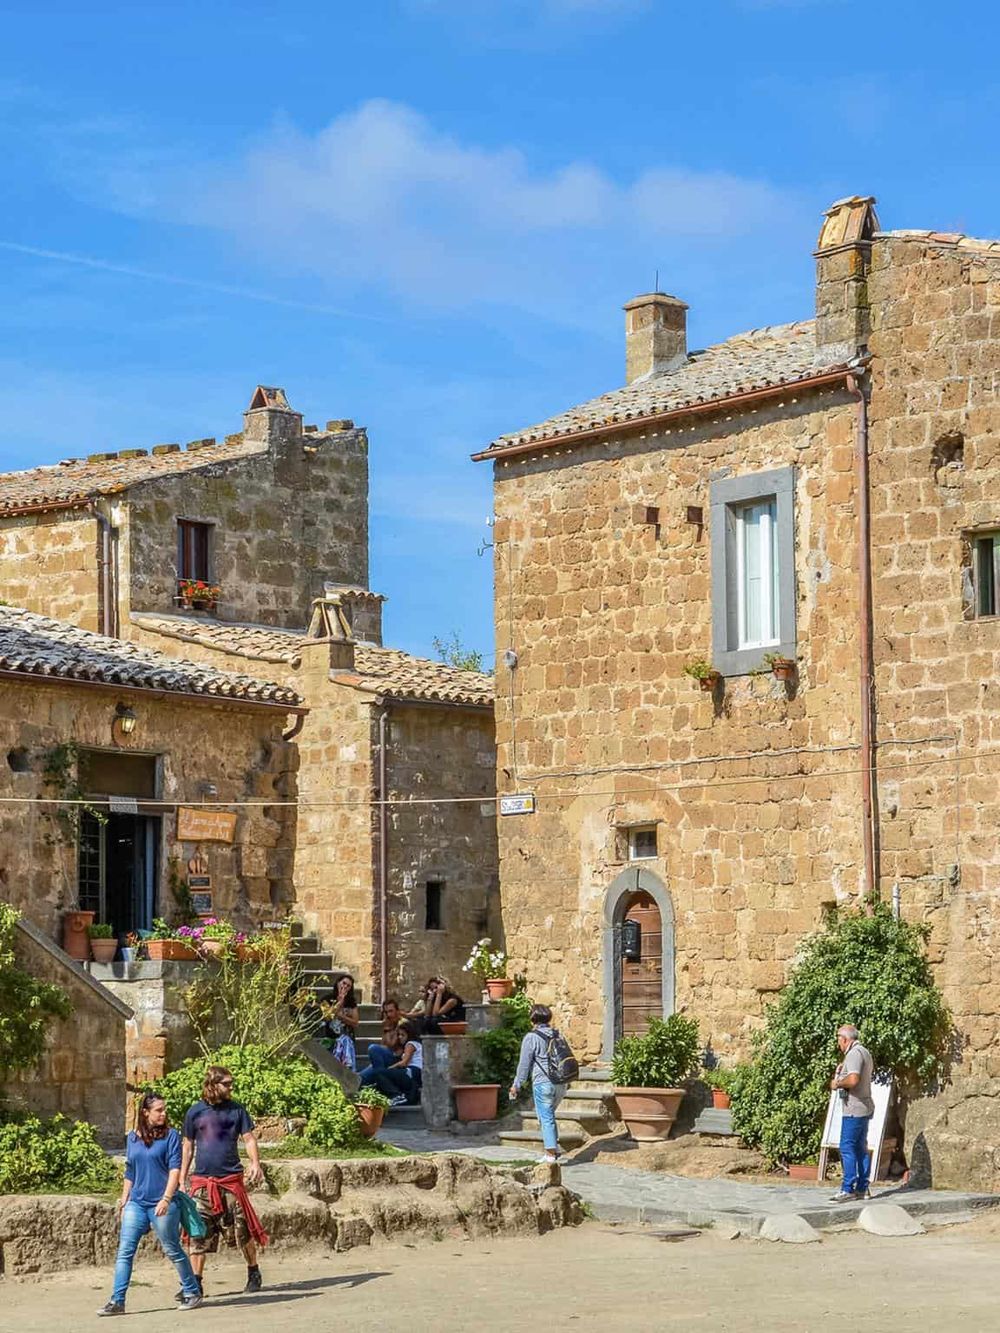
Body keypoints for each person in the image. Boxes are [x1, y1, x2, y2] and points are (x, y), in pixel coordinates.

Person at [97, 1093, 203, 1316]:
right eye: (158, 1110)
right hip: (137, 1202)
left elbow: (175, 1169)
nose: (163, 1114)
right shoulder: (132, 1137)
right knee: (125, 1251)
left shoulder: (172, 1136)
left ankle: (192, 1290)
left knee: (172, 1248)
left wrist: (166, 1198)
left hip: (162, 1203)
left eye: (164, 1109)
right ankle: (117, 1301)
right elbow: (130, 1170)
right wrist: (125, 1199)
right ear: (146, 1113)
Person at [180, 1065, 268, 1297]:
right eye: (226, 1084)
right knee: (197, 1234)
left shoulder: (237, 1110)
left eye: (231, 1083)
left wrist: (255, 1163)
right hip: (202, 1184)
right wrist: (182, 1178)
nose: (231, 1087)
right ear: (212, 1084)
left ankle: (253, 1270)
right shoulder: (195, 1112)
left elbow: (248, 1139)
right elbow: (188, 1146)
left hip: (230, 1181)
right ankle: (195, 1283)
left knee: (243, 1231)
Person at [509, 1004, 568, 1166]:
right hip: (561, 1083)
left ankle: (550, 1155)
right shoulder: (558, 1034)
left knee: (546, 1117)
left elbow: (524, 1065)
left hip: (543, 1082)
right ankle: (554, 1150)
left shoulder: (531, 1037)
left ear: (532, 1019)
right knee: (549, 1115)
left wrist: (517, 1085)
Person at [829, 1024, 876, 1202]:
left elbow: (854, 1079)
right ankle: (863, 1187)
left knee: (846, 1147)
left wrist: (838, 1083)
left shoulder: (854, 1054)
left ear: (845, 1039)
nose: (838, 1044)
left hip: (854, 1108)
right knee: (860, 1148)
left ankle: (847, 1188)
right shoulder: (864, 1052)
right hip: (864, 1106)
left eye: (839, 1040)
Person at [359, 1018, 422, 1105]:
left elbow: (404, 1063)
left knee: (379, 1072)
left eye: (402, 1035)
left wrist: (388, 1069)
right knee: (376, 1071)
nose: (400, 1037)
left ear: (409, 1034)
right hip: (409, 1073)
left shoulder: (410, 1044)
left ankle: (396, 1095)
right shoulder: (411, 1045)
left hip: (411, 1073)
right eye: (398, 1035)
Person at [321, 974, 360, 1069]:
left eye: (348, 986)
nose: (345, 987)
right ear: (338, 983)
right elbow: (327, 1017)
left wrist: (340, 1016)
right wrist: (339, 1003)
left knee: (345, 1040)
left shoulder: (351, 1002)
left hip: (347, 1038)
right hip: (331, 1038)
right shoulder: (326, 999)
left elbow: (355, 1022)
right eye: (344, 983)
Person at [363, 997, 405, 1075]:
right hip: (385, 1059)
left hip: (396, 1060)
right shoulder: (389, 1023)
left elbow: (391, 1045)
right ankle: (379, 1075)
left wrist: (388, 1029)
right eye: (386, 1012)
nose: (388, 1015)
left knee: (373, 1048)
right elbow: (383, 1044)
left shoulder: (402, 1024)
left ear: (397, 1011)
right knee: (360, 1077)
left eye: (391, 1011)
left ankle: (382, 1077)